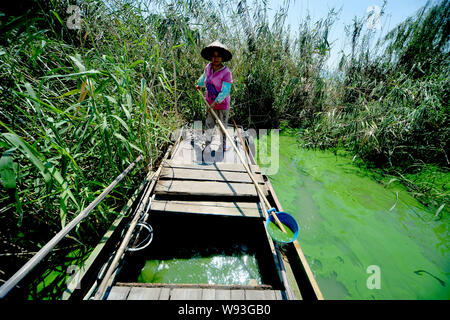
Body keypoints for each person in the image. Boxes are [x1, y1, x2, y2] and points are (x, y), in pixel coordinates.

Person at [195, 40, 233, 151]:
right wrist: (199, 85)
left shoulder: (226, 72)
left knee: (222, 126)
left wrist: (215, 102)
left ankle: (223, 144)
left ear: (222, 58)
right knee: (209, 123)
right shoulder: (208, 67)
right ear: (211, 57)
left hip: (221, 104)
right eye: (214, 56)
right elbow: (204, 78)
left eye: (218, 56)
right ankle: (207, 142)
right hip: (209, 102)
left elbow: (225, 91)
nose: (216, 59)